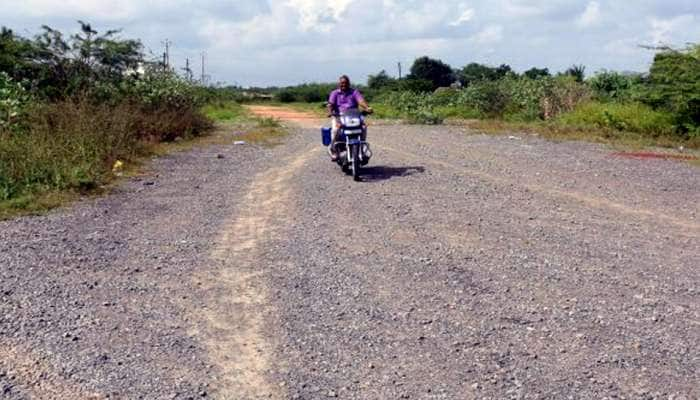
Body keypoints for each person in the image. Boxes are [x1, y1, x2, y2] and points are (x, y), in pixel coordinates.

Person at [327, 75, 372, 160]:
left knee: (363, 127)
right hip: (339, 116)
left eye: (345, 83)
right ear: (339, 84)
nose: (343, 85)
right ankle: (333, 148)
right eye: (342, 83)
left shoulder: (354, 92)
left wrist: (367, 108)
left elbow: (361, 101)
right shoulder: (335, 93)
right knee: (335, 130)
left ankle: (361, 147)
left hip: (353, 115)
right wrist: (330, 112)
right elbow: (330, 104)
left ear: (349, 83)